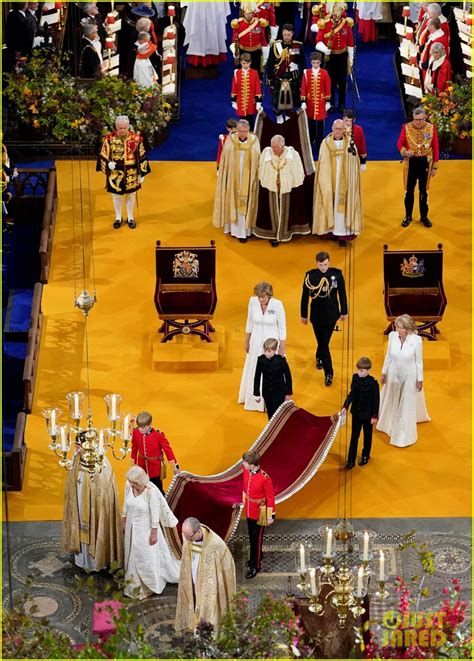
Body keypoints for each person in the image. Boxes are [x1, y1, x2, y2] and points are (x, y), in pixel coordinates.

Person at [122, 466, 180, 599]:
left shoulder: (151, 492)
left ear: (141, 481)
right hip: (132, 528)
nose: (131, 485)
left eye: (134, 483)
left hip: (145, 530)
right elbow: (126, 505)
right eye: (130, 482)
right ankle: (133, 587)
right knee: (132, 556)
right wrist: (123, 520)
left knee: (145, 557)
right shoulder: (128, 486)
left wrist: (154, 533)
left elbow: (155, 514)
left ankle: (149, 585)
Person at [61, 454, 123, 571]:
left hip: (94, 504)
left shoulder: (101, 460)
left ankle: (96, 561)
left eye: (80, 445)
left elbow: (104, 485)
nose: (77, 449)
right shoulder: (76, 458)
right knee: (80, 523)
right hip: (79, 500)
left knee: (95, 525)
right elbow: (71, 480)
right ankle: (81, 559)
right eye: (77, 445)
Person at [175, 517, 236, 634]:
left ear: (198, 531)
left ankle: (206, 629)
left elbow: (227, 565)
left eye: (190, 537)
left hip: (209, 580)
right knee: (196, 597)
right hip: (194, 573)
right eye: (185, 536)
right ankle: (195, 619)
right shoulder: (189, 537)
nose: (188, 540)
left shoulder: (215, 545)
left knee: (207, 602)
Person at [377, 314, 431, 448]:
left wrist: (420, 379)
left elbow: (419, 362)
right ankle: (389, 423)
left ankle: (403, 433)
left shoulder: (417, 340)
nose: (397, 329)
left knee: (405, 403)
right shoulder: (392, 336)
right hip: (394, 373)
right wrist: (384, 372)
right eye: (396, 326)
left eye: (400, 327)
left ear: (407, 328)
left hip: (409, 375)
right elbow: (388, 356)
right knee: (393, 399)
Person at [300, 251, 347, 386]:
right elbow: (304, 296)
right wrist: (304, 315)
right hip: (317, 314)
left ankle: (318, 356)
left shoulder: (336, 275)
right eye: (321, 265)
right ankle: (329, 373)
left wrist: (344, 311)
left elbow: (342, 294)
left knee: (324, 341)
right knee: (324, 344)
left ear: (329, 262)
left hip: (332, 314)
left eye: (325, 264)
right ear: (316, 263)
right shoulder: (310, 276)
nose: (323, 268)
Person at [312, 119, 363, 245]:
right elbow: (322, 163)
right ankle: (330, 231)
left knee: (343, 207)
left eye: (341, 129)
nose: (338, 131)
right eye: (336, 129)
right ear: (332, 129)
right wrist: (325, 181)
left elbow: (354, 160)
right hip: (330, 180)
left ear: (343, 129)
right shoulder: (326, 143)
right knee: (329, 201)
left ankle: (343, 234)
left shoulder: (349, 142)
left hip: (345, 181)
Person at [97, 115, 151, 229]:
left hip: (132, 172)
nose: (122, 130)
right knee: (116, 196)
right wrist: (108, 164)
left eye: (124, 128)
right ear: (116, 127)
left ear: (128, 127)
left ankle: (130, 217)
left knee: (131, 195)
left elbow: (142, 156)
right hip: (115, 173)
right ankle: (118, 217)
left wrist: (142, 173)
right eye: (120, 128)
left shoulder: (136, 139)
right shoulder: (109, 139)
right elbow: (103, 154)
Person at [239, 282, 286, 411]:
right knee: (255, 369)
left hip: (271, 343)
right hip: (255, 342)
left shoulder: (277, 305)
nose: (260, 299)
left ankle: (273, 400)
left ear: (269, 295)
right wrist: (246, 341)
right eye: (259, 296)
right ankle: (254, 399)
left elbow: (282, 326)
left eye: (263, 297)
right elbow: (249, 322)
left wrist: (282, 345)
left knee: (273, 370)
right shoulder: (252, 302)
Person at [213, 118, 261, 243]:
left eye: (244, 131)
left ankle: (246, 231)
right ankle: (233, 229)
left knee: (247, 202)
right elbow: (225, 158)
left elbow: (257, 157)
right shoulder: (231, 140)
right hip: (233, 178)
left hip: (248, 178)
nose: (242, 134)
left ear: (248, 130)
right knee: (233, 201)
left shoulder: (254, 141)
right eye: (239, 131)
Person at [255, 134, 307, 246]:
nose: (273, 149)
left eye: (276, 147)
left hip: (287, 190)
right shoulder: (267, 153)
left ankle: (286, 233)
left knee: (287, 211)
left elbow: (298, 172)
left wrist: (290, 182)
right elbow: (261, 169)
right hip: (271, 189)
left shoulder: (292, 154)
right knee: (272, 212)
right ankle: (274, 234)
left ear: (282, 145)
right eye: (272, 147)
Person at [397, 107, 439, 228]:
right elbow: (399, 143)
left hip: (425, 163)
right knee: (409, 191)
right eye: (416, 120)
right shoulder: (406, 128)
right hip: (411, 163)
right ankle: (408, 216)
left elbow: (436, 147)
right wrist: (405, 152)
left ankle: (424, 216)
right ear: (413, 118)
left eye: (421, 119)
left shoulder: (432, 128)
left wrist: (435, 166)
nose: (418, 122)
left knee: (424, 191)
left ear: (425, 118)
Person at [315, 3, 354, 111]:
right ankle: (330, 103)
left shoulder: (346, 24)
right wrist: (324, 49)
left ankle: (341, 104)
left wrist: (351, 59)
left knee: (342, 82)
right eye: (334, 15)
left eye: (338, 15)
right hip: (329, 57)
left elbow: (350, 43)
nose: (336, 17)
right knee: (330, 81)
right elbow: (318, 41)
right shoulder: (325, 24)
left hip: (342, 56)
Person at [342, 357, 380, 469]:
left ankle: (365, 455)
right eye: (358, 370)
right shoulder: (355, 378)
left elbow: (376, 400)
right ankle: (351, 460)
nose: (359, 372)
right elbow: (352, 394)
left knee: (367, 437)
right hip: (356, 414)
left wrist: (374, 415)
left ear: (368, 370)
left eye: (362, 371)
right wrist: (345, 405)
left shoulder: (373, 383)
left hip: (368, 415)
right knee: (354, 436)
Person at [242, 450, 275, 579]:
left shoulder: (264, 478)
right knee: (251, 536)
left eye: (245, 462)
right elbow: (245, 488)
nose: (243, 464)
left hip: (261, 512)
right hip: (250, 509)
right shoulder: (246, 470)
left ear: (252, 464)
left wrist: (269, 515)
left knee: (257, 539)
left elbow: (270, 498)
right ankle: (257, 556)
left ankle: (255, 565)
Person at [131, 411, 180, 495]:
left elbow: (168, 451)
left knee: (157, 490)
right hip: (141, 467)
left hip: (155, 469)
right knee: (142, 488)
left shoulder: (158, 435)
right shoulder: (136, 432)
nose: (140, 429)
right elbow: (134, 449)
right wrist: (133, 466)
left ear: (150, 425)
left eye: (143, 427)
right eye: (139, 427)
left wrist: (175, 467)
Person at [265, 24, 306, 123]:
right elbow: (270, 63)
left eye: (288, 34)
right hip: (279, 76)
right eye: (284, 34)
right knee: (277, 98)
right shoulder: (275, 45)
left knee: (291, 98)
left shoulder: (298, 45)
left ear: (292, 34)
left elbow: (302, 64)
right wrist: (270, 78)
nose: (286, 37)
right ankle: (278, 117)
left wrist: (302, 79)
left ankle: (288, 115)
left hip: (293, 76)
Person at [254, 337, 293, 419]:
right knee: (270, 415)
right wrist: (256, 393)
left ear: (275, 350)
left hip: (279, 394)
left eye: (269, 351)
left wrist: (289, 392)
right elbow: (257, 377)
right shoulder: (261, 360)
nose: (266, 353)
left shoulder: (281, 361)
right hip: (267, 394)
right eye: (265, 350)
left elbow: (288, 377)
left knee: (278, 416)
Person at [300, 52, 331, 151]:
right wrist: (303, 101)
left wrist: (328, 101)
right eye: (313, 63)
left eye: (317, 63)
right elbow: (304, 87)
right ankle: (312, 138)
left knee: (320, 123)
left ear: (320, 62)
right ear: (311, 62)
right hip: (310, 102)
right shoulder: (306, 73)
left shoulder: (324, 73)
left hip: (321, 102)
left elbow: (328, 88)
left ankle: (320, 141)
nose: (315, 65)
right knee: (311, 121)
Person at [230, 5, 268, 74]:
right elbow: (234, 40)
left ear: (253, 13)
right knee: (242, 72)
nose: (248, 15)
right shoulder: (238, 24)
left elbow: (263, 39)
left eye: (250, 13)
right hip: (243, 52)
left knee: (256, 71)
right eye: (246, 13)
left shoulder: (259, 23)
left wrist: (265, 55)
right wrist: (236, 54)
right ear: (243, 13)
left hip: (256, 52)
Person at [231, 53, 263, 127]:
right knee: (242, 120)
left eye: (247, 63)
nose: (245, 65)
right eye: (243, 63)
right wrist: (233, 101)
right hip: (240, 102)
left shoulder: (255, 73)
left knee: (251, 121)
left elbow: (258, 88)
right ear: (241, 62)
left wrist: (258, 102)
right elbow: (234, 88)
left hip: (251, 103)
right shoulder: (236, 73)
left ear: (250, 62)